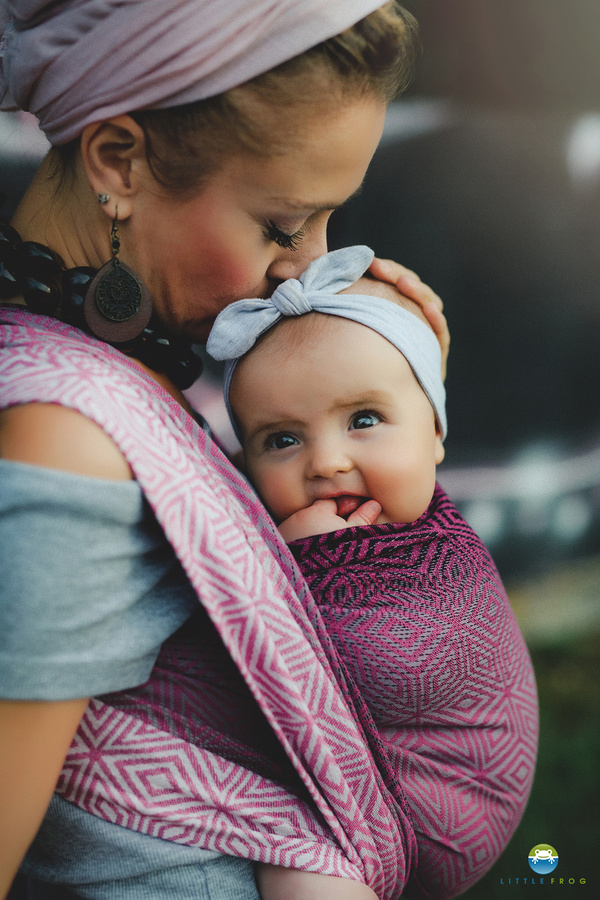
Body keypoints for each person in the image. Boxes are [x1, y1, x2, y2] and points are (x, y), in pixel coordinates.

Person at [0, 3, 459, 899]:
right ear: (118, 161)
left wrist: (396, 388)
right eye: (285, 225)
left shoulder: (97, 374)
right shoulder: (70, 436)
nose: (308, 268)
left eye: (331, 220)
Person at [206, 245, 539, 900]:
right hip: (385, 786)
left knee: (298, 859)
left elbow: (384, 665)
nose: (327, 462)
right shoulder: (370, 513)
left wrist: (293, 565)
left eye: (363, 419)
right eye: (282, 439)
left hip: (438, 808)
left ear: (435, 432)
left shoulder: (444, 559)